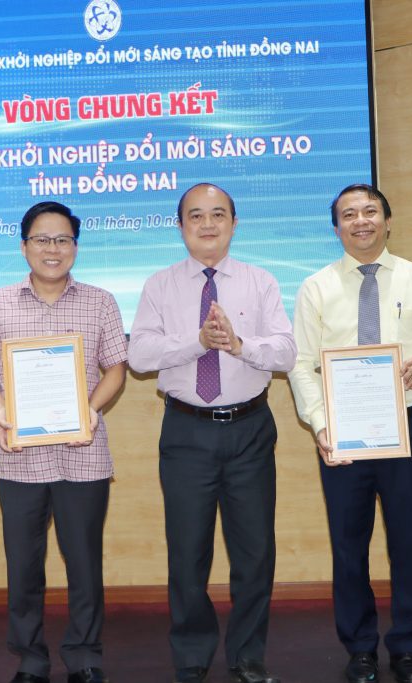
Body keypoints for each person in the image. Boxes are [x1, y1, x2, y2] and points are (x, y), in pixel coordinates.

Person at [287, 184, 412, 683]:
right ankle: (359, 647)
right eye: (349, 214)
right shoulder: (315, 287)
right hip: (343, 433)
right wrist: (321, 425)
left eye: (370, 211)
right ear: (336, 226)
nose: (360, 221)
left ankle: (406, 646)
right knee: (348, 546)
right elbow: (300, 364)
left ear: (387, 220)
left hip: (409, 427)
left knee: (410, 542)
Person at [128, 183, 295, 683]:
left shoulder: (260, 281)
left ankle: (247, 656)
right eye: (196, 215)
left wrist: (240, 345)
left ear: (234, 223)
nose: (207, 224)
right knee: (187, 552)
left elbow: (286, 352)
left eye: (218, 214)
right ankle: (191, 656)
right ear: (180, 226)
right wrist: (196, 342)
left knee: (255, 552)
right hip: (187, 431)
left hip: (250, 429)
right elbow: (140, 356)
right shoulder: (160, 285)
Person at [0, 201, 127, 683]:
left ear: (75, 246)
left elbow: (116, 369)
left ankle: (85, 656)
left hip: (84, 455)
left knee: (84, 565)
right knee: (23, 568)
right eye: (41, 239)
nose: (52, 249)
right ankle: (31, 659)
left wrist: (91, 409)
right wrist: (0, 410)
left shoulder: (100, 302)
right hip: (19, 459)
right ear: (24, 246)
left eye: (62, 240)